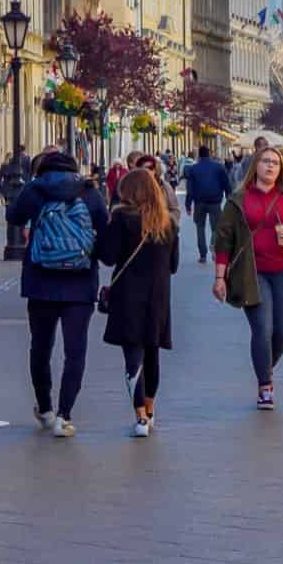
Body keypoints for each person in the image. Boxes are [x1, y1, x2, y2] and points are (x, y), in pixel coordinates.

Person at [7, 150, 109, 437]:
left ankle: (45, 408)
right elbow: (106, 240)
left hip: (41, 282)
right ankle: (65, 415)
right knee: (75, 352)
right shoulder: (90, 192)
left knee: (40, 348)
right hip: (81, 283)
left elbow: (13, 217)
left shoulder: (35, 190)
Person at [213, 144, 283, 409]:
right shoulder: (239, 200)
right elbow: (223, 241)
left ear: (281, 170)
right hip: (251, 273)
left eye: (275, 163)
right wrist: (220, 277)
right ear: (255, 165)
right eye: (265, 161)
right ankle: (265, 386)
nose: (270, 166)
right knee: (263, 329)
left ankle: (264, 366)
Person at [96, 168, 180, 438]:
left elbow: (107, 256)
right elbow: (174, 265)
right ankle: (151, 409)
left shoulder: (121, 218)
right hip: (158, 296)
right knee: (152, 352)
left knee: (133, 355)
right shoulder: (167, 223)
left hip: (128, 294)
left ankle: (140, 416)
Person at [182, 144, 232, 265]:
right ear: (209, 154)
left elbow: (190, 188)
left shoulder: (193, 169)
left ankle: (203, 254)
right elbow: (226, 183)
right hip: (215, 201)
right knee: (216, 227)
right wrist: (229, 197)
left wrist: (188, 205)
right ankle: (214, 244)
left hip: (199, 202)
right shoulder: (219, 167)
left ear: (199, 155)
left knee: (200, 227)